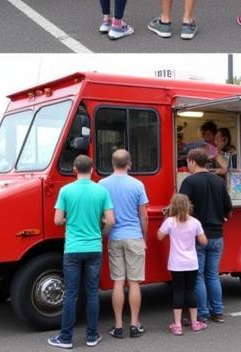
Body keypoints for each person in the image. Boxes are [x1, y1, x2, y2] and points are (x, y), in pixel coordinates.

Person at [47, 154, 114, 350]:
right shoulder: (101, 191)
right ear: (92, 169)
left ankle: (66, 338)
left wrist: (71, 220)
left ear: (74, 170)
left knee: (71, 294)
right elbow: (110, 220)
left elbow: (57, 221)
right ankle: (92, 336)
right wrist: (102, 234)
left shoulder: (65, 191)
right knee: (92, 293)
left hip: (73, 249)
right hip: (94, 248)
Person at [98, 149, 149, 339]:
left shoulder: (102, 184)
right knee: (134, 282)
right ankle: (134, 325)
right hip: (134, 236)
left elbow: (101, 214)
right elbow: (143, 216)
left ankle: (118, 326)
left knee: (118, 282)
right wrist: (144, 237)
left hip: (114, 237)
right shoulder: (138, 185)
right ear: (129, 164)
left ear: (112, 164)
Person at [180, 147, 233, 325]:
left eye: (188, 161)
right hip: (218, 236)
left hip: (198, 236)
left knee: (199, 276)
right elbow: (229, 210)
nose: (188, 164)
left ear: (193, 162)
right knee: (213, 275)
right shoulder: (219, 181)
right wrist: (222, 218)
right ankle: (217, 312)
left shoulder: (189, 182)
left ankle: (201, 314)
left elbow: (182, 209)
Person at [157, 193, 208, 335]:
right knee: (190, 291)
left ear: (173, 206)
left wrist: (165, 218)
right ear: (188, 206)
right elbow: (204, 242)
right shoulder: (195, 222)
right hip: (191, 262)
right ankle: (195, 323)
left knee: (178, 291)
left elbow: (159, 236)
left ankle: (177, 325)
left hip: (176, 263)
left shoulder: (170, 222)